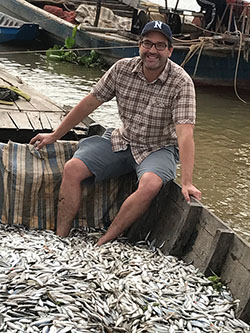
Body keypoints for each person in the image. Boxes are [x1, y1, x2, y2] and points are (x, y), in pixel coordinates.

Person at [30, 20, 201, 246]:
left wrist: (187, 182)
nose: (152, 51)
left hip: (158, 148)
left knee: (150, 185)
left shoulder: (181, 82)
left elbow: (185, 134)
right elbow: (89, 104)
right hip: (122, 139)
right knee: (72, 168)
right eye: (147, 43)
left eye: (160, 46)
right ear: (139, 45)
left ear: (170, 50)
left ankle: (105, 241)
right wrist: (55, 135)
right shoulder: (122, 69)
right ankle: (61, 237)